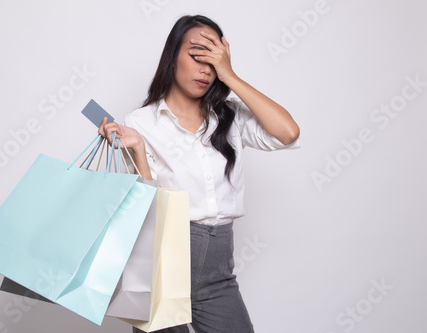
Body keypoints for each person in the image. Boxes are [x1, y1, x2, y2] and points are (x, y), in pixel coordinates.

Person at [99, 14, 300, 333]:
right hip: (163, 268)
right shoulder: (141, 122)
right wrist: (136, 148)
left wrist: (230, 76)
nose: (206, 69)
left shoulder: (229, 115)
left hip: (218, 274)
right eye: (196, 56)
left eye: (214, 60)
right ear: (172, 57)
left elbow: (287, 133)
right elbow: (144, 204)